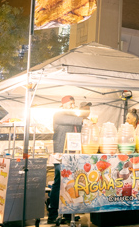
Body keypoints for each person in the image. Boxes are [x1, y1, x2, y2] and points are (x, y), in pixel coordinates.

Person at [48, 96, 89, 224]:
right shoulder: (59, 114)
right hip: (60, 154)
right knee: (59, 182)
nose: (72, 106)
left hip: (72, 155)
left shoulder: (74, 118)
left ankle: (67, 213)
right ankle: (53, 214)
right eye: (70, 103)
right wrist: (83, 120)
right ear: (63, 104)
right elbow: (71, 120)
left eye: (74, 104)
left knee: (70, 183)